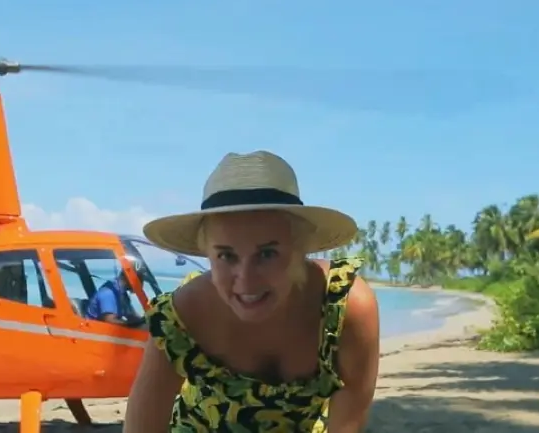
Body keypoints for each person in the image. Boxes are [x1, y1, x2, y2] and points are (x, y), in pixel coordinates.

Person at [124, 151, 380, 432]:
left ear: (300, 248)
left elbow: (348, 418)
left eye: (267, 254)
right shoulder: (181, 319)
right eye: (226, 256)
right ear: (207, 253)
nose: (246, 281)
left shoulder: (343, 308)